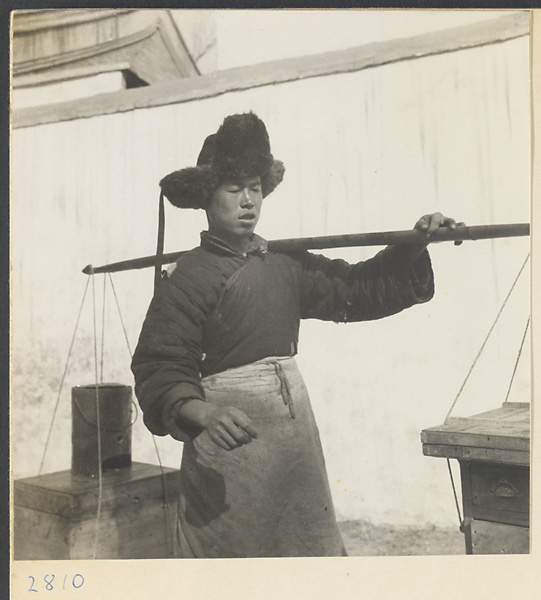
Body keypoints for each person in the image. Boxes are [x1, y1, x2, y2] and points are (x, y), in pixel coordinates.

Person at [131, 112, 460, 558]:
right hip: (227, 444)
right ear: (208, 197)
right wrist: (204, 414)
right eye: (234, 189)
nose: (248, 200)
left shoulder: (284, 262)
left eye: (255, 188)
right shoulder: (188, 277)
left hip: (293, 438)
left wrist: (415, 243)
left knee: (305, 552)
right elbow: (160, 365)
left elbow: (355, 290)